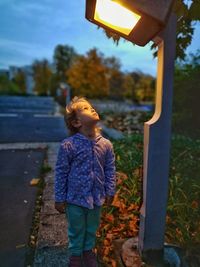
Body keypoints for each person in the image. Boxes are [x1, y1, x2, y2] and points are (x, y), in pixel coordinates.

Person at [54, 96, 116, 267]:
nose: (92, 109)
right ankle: (75, 254)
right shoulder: (69, 145)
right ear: (76, 123)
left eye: (91, 107)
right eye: (85, 109)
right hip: (74, 198)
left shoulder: (106, 145)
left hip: (96, 197)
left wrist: (110, 190)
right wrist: (60, 197)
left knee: (91, 227)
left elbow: (110, 169)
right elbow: (61, 172)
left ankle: (88, 251)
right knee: (76, 228)